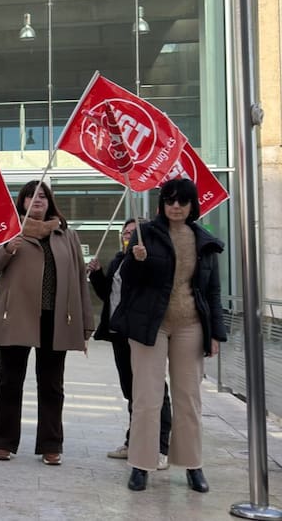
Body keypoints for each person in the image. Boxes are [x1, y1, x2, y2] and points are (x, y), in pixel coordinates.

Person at [115, 178, 226, 493]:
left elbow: (212, 292)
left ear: (192, 205)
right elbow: (129, 281)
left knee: (189, 398)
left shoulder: (204, 241)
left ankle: (192, 465)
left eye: (182, 201)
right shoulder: (144, 234)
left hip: (190, 324)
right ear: (162, 204)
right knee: (147, 397)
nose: (176, 206)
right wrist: (134, 261)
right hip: (151, 325)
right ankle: (141, 464)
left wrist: (216, 333)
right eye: (170, 200)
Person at [0, 180, 92, 466]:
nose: (38, 199)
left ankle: (51, 445)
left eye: (43, 195)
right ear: (23, 202)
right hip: (15, 318)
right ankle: (3, 442)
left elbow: (80, 279)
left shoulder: (65, 234)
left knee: (52, 384)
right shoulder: (9, 230)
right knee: (9, 381)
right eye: (32, 195)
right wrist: (7, 249)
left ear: (50, 201)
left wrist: (86, 322)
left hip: (57, 319)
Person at [88, 218, 172, 469]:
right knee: (132, 390)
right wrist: (97, 275)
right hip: (119, 333)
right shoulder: (118, 259)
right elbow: (110, 296)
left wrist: (144, 260)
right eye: (125, 233)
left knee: (154, 389)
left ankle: (160, 447)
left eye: (134, 233)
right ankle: (134, 441)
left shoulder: (152, 260)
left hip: (141, 333)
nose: (128, 236)